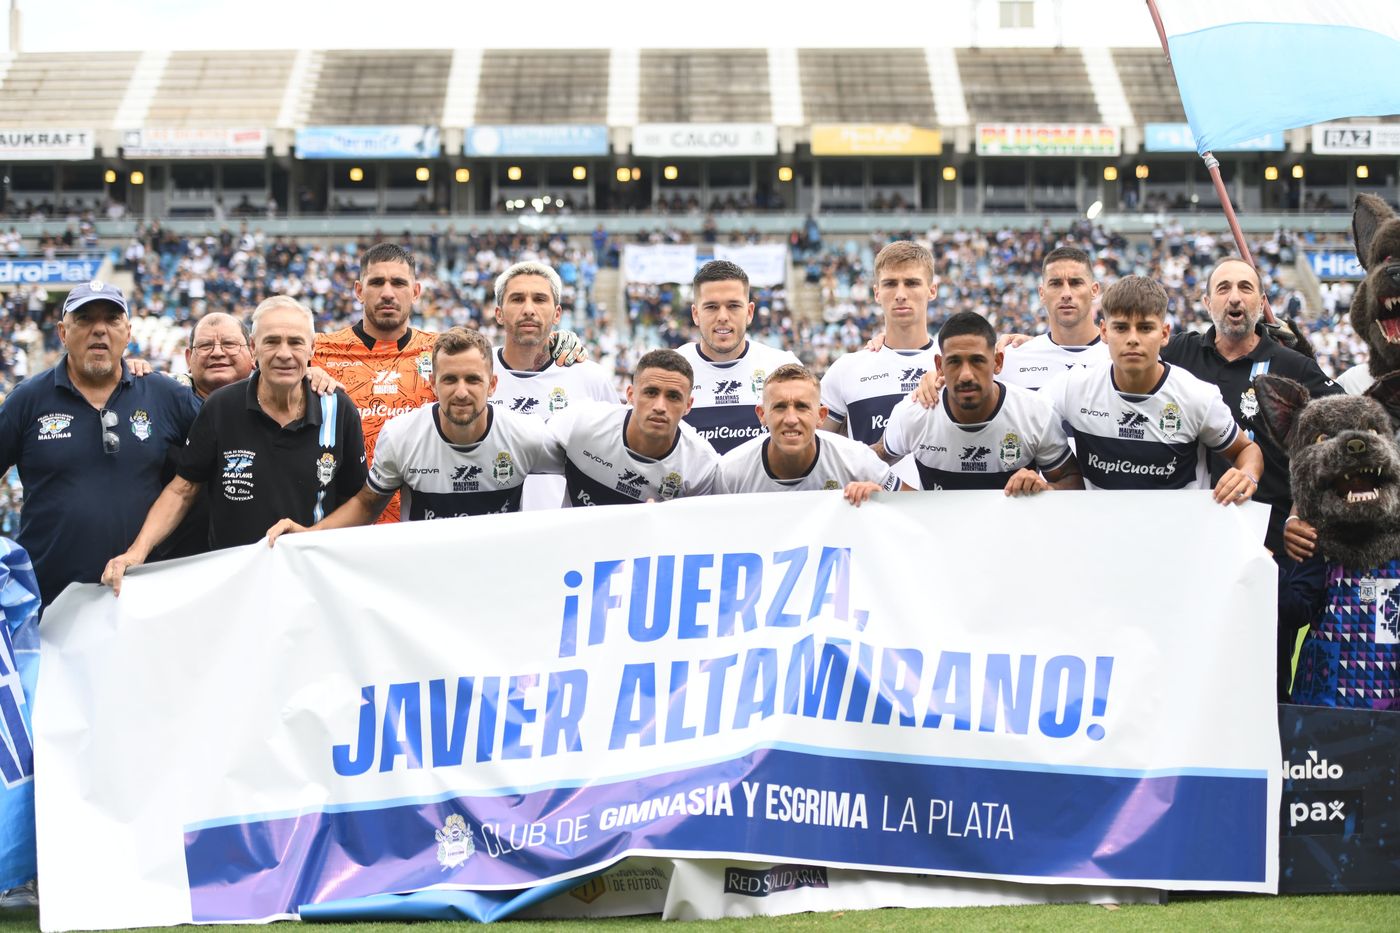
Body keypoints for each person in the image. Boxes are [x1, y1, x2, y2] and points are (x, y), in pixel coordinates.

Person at [102, 297, 365, 594]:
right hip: (232, 584)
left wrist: (309, 536)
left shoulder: (337, 408)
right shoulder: (220, 407)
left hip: (310, 580)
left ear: (312, 349)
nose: (284, 353)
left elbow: (360, 502)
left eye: (295, 342)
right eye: (272, 342)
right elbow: (183, 489)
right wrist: (137, 552)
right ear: (253, 348)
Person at [0, 281, 199, 606]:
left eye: (111, 319)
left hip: (141, 599)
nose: (99, 330)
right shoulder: (28, 400)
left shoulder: (163, 394)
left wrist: (307, 379)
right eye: (85, 319)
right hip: (48, 605)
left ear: (128, 332)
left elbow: (228, 434)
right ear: (63, 333)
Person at [266, 327, 561, 540]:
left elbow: (579, 468)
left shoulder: (525, 433)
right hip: (426, 582)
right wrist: (308, 535)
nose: (461, 392)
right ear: (432, 383)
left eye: (473, 380)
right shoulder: (401, 435)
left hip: (498, 576)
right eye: (449, 380)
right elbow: (368, 504)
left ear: (493, 384)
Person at [1159, 257, 1341, 552]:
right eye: (1223, 288)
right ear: (1206, 302)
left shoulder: (1294, 366)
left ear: (1261, 303)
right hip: (1190, 540)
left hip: (1271, 545)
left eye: (1245, 288)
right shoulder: (1178, 352)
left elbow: (1344, 433)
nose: (1234, 297)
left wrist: (1301, 510)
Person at [1042, 276, 1263, 500]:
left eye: (1145, 328)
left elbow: (1247, 450)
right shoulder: (1073, 387)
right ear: (1104, 332)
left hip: (1179, 532)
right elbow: (1025, 416)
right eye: (1120, 327)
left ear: (1165, 333)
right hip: (1101, 532)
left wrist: (1247, 474)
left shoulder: (1197, 397)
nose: (1133, 339)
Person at [874, 311, 1082, 494]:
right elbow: (875, 458)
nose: (966, 375)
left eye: (977, 361)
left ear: (998, 362)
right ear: (939, 365)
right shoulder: (913, 413)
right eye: (954, 361)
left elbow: (1071, 480)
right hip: (938, 537)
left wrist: (1045, 489)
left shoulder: (1036, 413)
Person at [312, 243, 437, 525]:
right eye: (377, 282)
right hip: (342, 524)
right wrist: (300, 375)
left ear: (415, 292)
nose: (388, 293)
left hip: (421, 526)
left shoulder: (441, 351)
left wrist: (555, 348)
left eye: (399, 283)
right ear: (359, 290)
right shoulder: (317, 351)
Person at [489, 260, 617, 509]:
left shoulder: (591, 378)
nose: (528, 309)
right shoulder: (475, 376)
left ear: (557, 313)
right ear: (499, 313)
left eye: (539, 299)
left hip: (566, 535)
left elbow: (615, 456)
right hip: (488, 531)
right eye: (517, 299)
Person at [819, 241, 940, 487]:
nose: (900, 294)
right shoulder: (847, 369)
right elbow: (816, 450)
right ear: (876, 293)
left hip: (946, 513)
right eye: (890, 283)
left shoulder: (957, 367)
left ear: (932, 290)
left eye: (912, 282)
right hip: (870, 515)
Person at [548, 349, 718, 507]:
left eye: (673, 396)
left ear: (688, 405)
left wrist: (666, 523)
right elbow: (526, 447)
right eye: (651, 392)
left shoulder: (701, 465)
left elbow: (700, 530)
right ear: (630, 395)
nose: (660, 406)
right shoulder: (581, 422)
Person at [719, 363, 902, 502]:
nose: (791, 419)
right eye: (780, 407)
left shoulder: (857, 461)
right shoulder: (731, 471)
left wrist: (883, 502)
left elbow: (916, 508)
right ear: (762, 415)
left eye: (802, 407)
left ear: (821, 416)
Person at [157, 312, 257, 559]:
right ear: (189, 358)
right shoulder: (160, 402)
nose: (217, 352)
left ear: (252, 352)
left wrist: (312, 375)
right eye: (205, 345)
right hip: (176, 564)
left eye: (230, 344)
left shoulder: (283, 401)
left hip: (257, 562)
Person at [677, 260, 800, 454]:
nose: (723, 316)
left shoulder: (782, 366)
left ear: (750, 312)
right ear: (695, 314)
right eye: (711, 307)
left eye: (733, 306)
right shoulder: (669, 372)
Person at [1000, 245, 1110, 389]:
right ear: (1041, 293)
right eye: (1056, 284)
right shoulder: (1012, 360)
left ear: (1094, 290)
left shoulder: (1118, 357)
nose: (1066, 293)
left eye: (1075, 283)